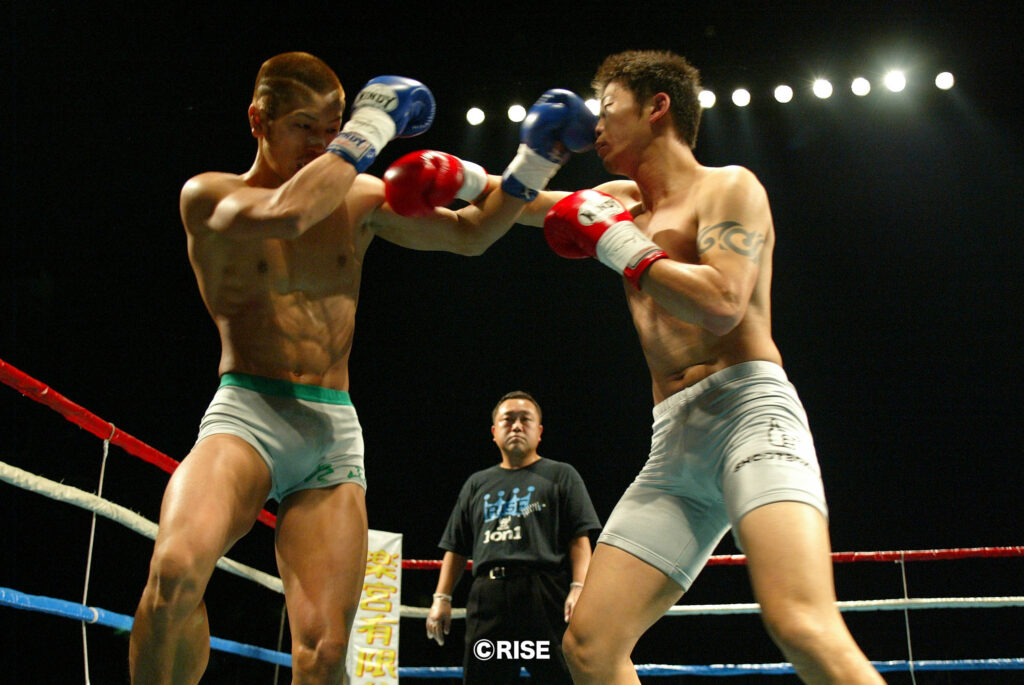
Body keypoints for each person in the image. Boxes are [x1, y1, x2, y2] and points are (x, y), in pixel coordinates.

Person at [128, 52, 594, 685]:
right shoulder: (210, 196)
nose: (321, 145)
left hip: (330, 431)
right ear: (258, 120)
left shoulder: (359, 196)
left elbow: (473, 233)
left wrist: (538, 162)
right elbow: (288, 213)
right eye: (303, 127)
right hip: (247, 416)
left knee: (324, 651)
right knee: (175, 573)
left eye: (332, 129)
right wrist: (368, 130)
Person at [512, 51, 886, 684]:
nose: (596, 125)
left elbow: (721, 304)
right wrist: (463, 178)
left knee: (801, 624)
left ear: (657, 107)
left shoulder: (728, 186)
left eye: (609, 107)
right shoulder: (616, 200)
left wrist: (616, 241)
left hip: (749, 416)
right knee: (590, 646)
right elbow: (511, 206)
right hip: (674, 444)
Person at [426, 391, 601, 684]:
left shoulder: (561, 475)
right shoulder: (477, 483)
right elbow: (456, 547)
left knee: (561, 677)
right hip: (489, 600)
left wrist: (579, 587)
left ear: (539, 431)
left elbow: (579, 538)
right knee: (485, 679)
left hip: (543, 597)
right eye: (508, 420)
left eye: (525, 419)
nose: (517, 426)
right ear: (494, 432)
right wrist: (441, 598)